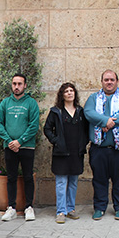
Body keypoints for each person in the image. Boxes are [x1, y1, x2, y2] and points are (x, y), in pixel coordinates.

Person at [84, 69, 119, 220]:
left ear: (117, 81)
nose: (109, 82)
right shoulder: (94, 98)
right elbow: (88, 112)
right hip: (99, 148)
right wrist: (103, 121)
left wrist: (111, 122)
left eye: (112, 80)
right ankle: (99, 207)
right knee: (99, 179)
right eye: (106, 80)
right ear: (101, 82)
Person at [0, 74, 41, 222]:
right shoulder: (5, 103)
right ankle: (11, 208)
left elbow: (34, 125)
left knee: (28, 177)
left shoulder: (31, 103)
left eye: (20, 84)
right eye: (14, 83)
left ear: (25, 85)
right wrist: (10, 141)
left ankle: (29, 207)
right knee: (11, 177)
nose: (16, 86)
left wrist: (20, 141)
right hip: (9, 147)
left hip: (27, 147)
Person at [45, 82, 89, 223]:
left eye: (71, 91)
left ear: (75, 94)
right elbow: (47, 129)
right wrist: (56, 141)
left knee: (73, 182)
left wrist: (84, 143)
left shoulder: (81, 111)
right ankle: (61, 212)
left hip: (76, 152)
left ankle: (71, 209)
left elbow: (87, 130)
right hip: (61, 152)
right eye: (66, 91)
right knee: (61, 182)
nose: (69, 93)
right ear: (62, 95)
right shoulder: (56, 111)